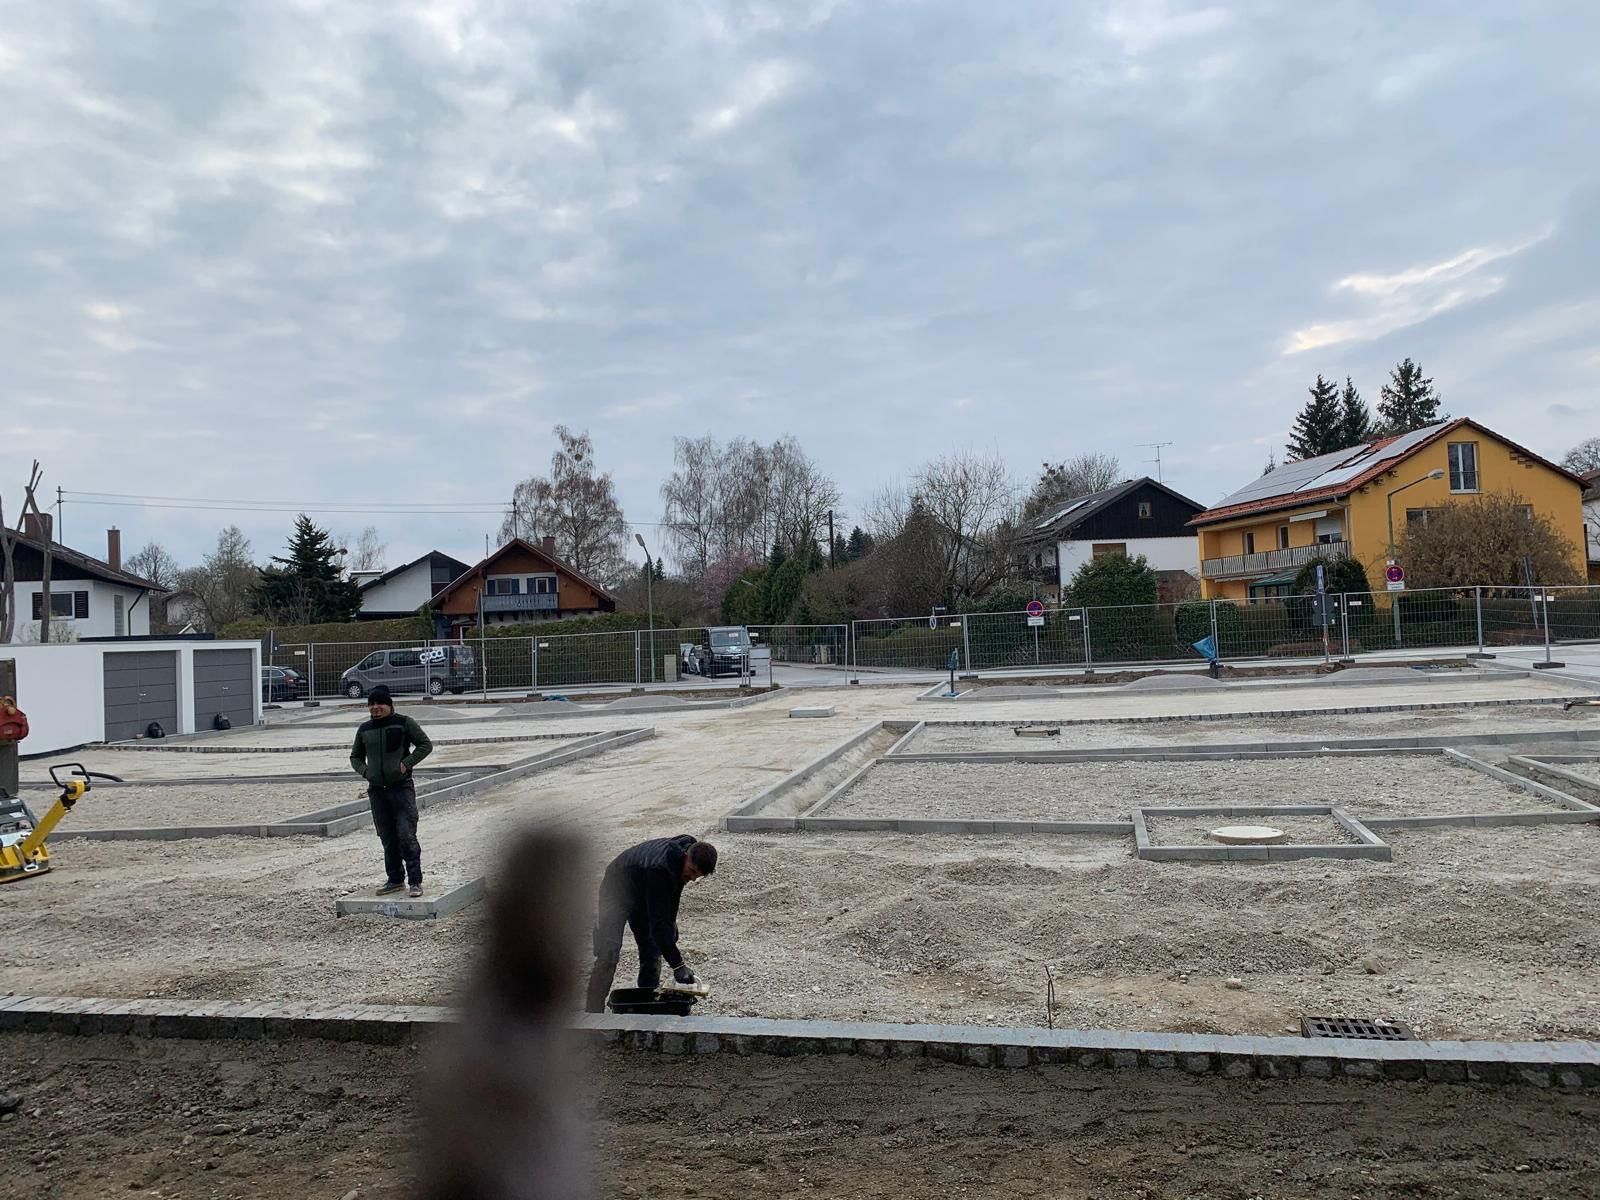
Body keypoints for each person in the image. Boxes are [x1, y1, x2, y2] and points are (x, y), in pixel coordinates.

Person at [584, 834, 717, 1013]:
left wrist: (671, 924)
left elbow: (671, 895)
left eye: (697, 876)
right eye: (692, 871)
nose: (693, 878)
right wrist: (678, 965)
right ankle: (593, 1014)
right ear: (686, 856)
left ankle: (645, 1006)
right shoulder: (659, 868)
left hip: (642, 889)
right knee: (609, 952)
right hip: (616, 889)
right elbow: (658, 925)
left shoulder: (686, 855)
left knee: (652, 950)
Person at [349, 684, 433, 897]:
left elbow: (425, 745)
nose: (375, 707)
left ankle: (415, 881)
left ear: (389, 704)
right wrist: (366, 772)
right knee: (387, 836)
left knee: (406, 834)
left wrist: (406, 764)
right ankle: (395, 880)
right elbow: (355, 757)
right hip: (377, 791)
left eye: (380, 703)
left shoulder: (404, 723)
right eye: (371, 704)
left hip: (401, 788)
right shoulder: (364, 729)